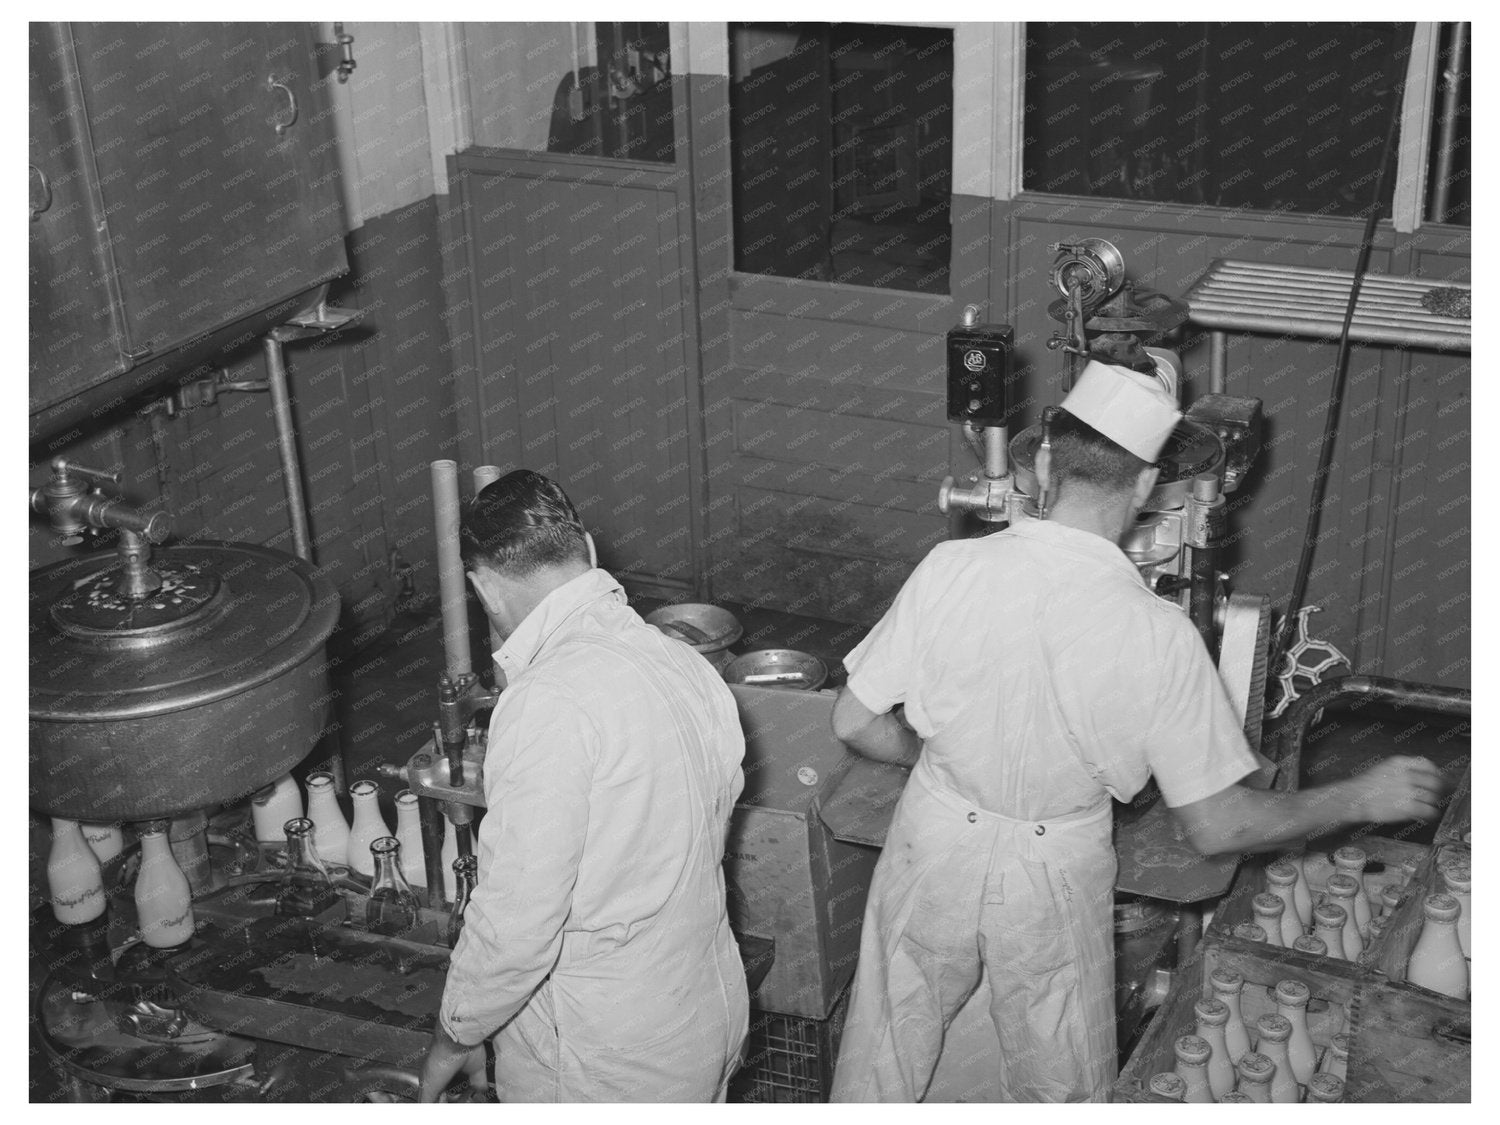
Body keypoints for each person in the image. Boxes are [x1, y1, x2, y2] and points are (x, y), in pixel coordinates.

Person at [826, 360, 1449, 1103]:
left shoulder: (949, 566)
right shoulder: (1160, 635)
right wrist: (1358, 796)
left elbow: (855, 719)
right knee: (1056, 1081)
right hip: (1049, 867)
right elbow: (1219, 825)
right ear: (1151, 488)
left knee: (883, 1056)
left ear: (1047, 461)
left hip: (930, 837)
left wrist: (926, 755)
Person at [419, 470, 749, 1102]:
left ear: (483, 588)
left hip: (606, 1057)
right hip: (705, 1011)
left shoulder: (548, 702)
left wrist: (453, 1037)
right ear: (589, 551)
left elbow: (517, 926)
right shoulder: (683, 662)